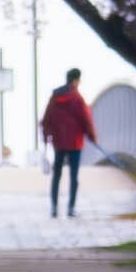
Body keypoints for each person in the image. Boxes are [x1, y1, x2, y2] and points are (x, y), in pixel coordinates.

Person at [40, 66, 97, 215]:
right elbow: (86, 119)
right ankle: (71, 208)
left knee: (57, 175)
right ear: (76, 80)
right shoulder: (77, 98)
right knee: (73, 176)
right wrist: (92, 136)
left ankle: (54, 207)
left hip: (58, 142)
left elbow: (47, 118)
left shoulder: (54, 97)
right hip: (75, 143)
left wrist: (46, 136)